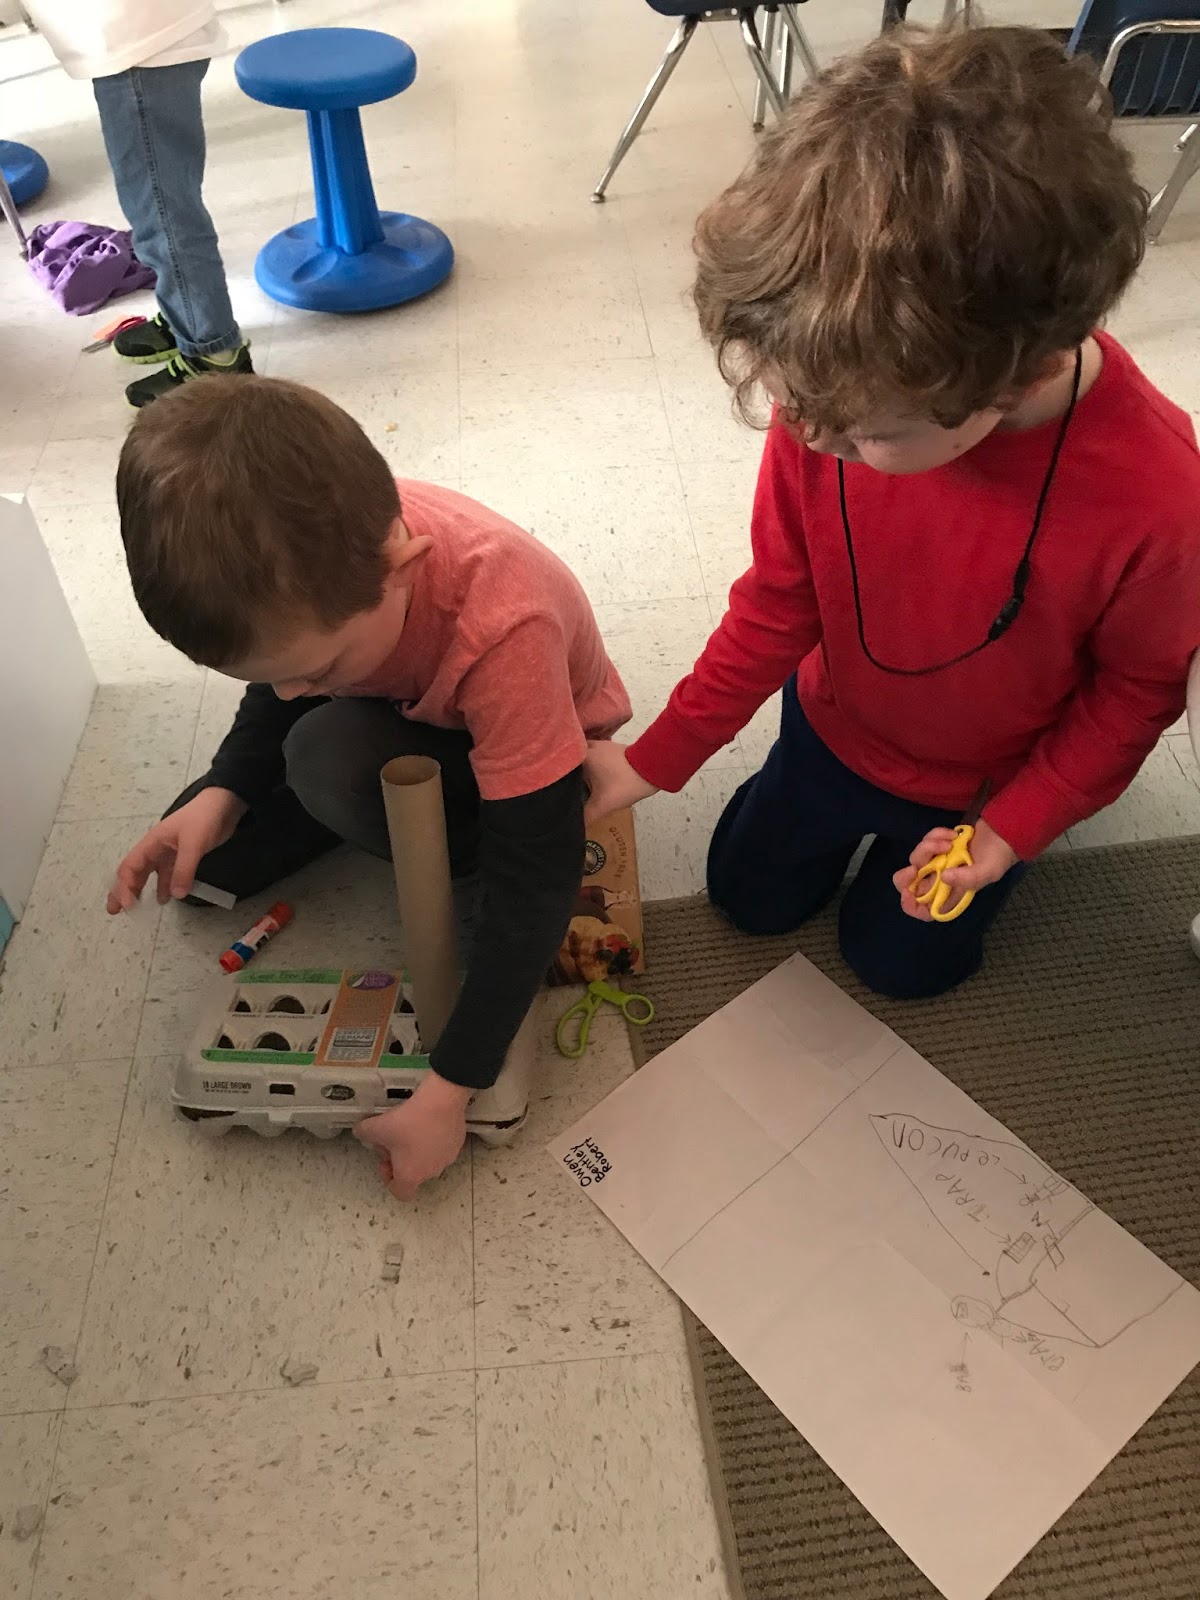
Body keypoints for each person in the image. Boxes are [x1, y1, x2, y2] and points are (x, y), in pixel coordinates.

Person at [583, 24, 1200, 1000]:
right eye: (795, 408)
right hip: (830, 731)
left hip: (983, 788)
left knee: (900, 967)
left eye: (866, 434)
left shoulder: (1160, 495)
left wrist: (1008, 833)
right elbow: (779, 597)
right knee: (743, 898)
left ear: (1020, 374)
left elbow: (1135, 695)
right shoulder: (837, 388)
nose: (806, 435)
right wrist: (659, 758)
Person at [106, 375, 630, 1198]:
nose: (288, 690)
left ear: (402, 570)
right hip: (399, 703)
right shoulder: (327, 569)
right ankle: (302, 787)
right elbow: (284, 681)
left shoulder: (506, 628)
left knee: (334, 765)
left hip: (533, 743)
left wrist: (450, 1090)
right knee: (239, 818)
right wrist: (225, 788)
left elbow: (538, 875)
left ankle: (442, 847)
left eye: (315, 670)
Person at [26, 0, 252, 406]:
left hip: (139, 44)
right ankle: (188, 314)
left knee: (164, 217)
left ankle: (213, 355)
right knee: (165, 205)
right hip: (142, 35)